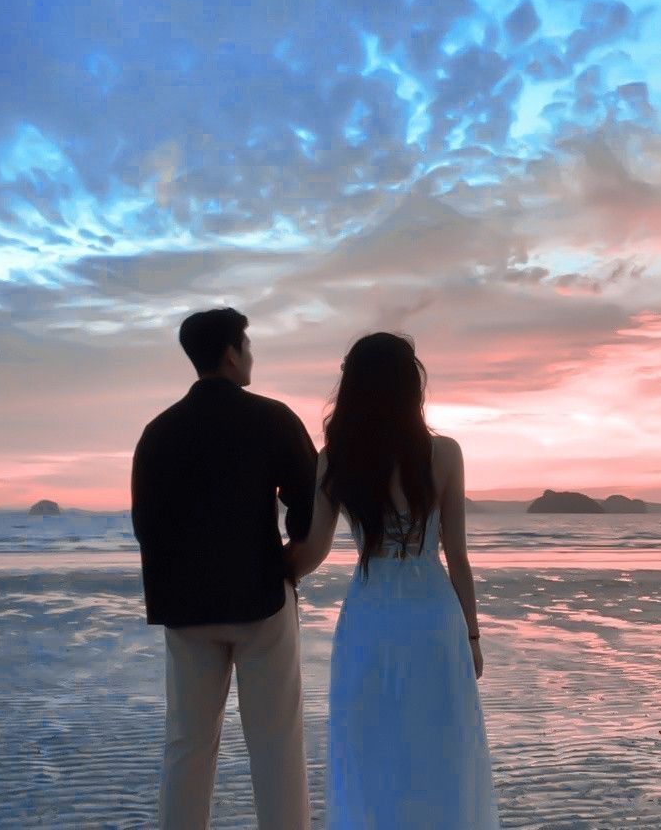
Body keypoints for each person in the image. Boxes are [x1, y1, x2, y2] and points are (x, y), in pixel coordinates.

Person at [283, 332, 500, 829]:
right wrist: (472, 635)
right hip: (433, 619)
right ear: (411, 386)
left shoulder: (334, 458)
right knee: (440, 751)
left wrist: (260, 573)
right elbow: (458, 556)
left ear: (351, 387)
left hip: (369, 618)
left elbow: (312, 552)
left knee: (370, 750)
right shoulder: (445, 453)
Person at [131, 307, 317, 830]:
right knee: (275, 744)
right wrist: (290, 558)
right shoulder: (272, 418)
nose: (251, 355)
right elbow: (309, 500)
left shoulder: (157, 432)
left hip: (186, 610)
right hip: (260, 600)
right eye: (248, 345)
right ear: (232, 354)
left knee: (187, 745)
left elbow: (146, 524)